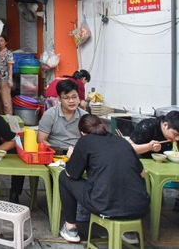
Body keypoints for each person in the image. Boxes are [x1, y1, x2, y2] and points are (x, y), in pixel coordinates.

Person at [58, 114, 149, 244]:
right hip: (139, 208)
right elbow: (142, 174)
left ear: (82, 133)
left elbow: (71, 174)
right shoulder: (121, 141)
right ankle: (129, 231)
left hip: (104, 205)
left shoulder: (85, 141)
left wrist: (72, 157)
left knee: (63, 178)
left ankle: (70, 228)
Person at [129, 110, 179, 212]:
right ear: (165, 125)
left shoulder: (176, 137)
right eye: (175, 134)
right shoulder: (148, 126)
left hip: (161, 165)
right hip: (139, 163)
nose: (177, 139)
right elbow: (129, 148)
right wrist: (148, 147)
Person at [37, 79, 88, 152]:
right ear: (59, 99)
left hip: (77, 153)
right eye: (66, 98)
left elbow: (90, 141)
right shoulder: (50, 114)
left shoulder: (84, 116)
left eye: (74, 97)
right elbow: (41, 140)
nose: (71, 101)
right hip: (55, 153)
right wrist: (57, 153)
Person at [0, 34, 14, 115]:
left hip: (4, 80)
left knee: (6, 101)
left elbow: (10, 67)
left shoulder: (8, 53)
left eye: (1, 41)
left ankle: (8, 118)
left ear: (5, 42)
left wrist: (10, 78)